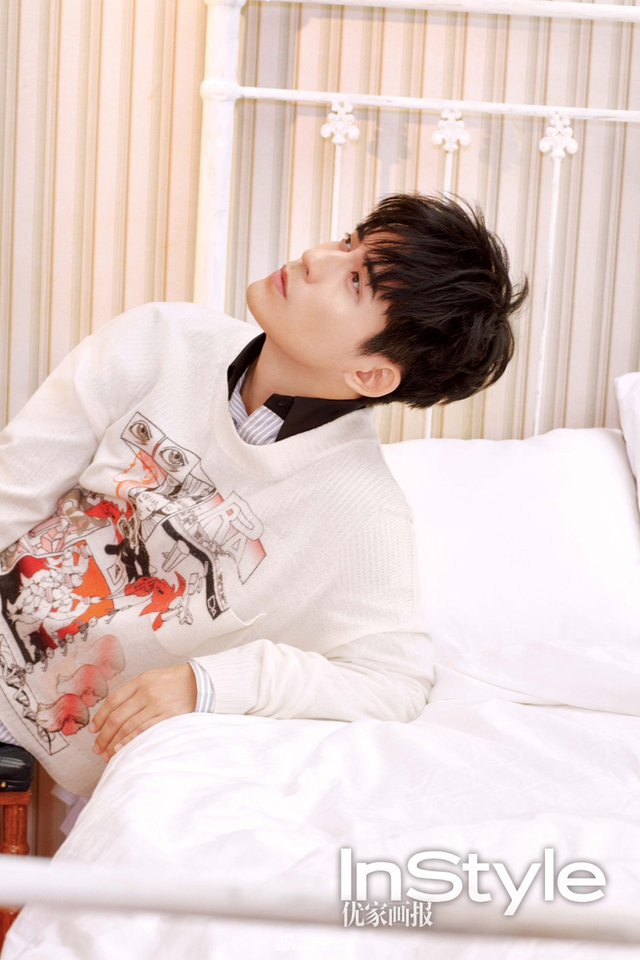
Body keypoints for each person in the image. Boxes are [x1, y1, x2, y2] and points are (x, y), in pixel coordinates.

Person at [0, 192, 529, 797]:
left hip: (60, 731)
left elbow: (394, 683)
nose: (316, 256)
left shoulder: (362, 511)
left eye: (356, 279)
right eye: (348, 241)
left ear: (371, 374)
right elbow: (14, 486)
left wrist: (215, 682)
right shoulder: (161, 338)